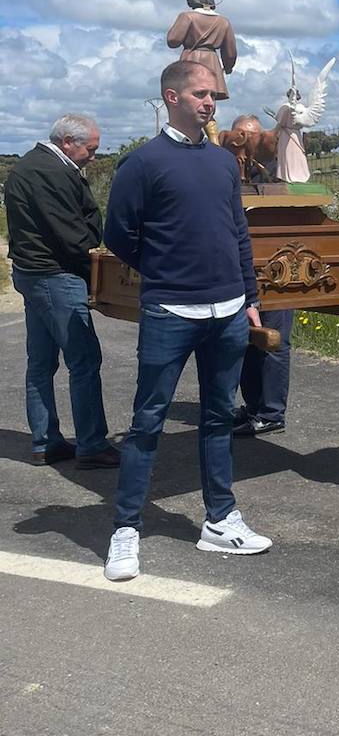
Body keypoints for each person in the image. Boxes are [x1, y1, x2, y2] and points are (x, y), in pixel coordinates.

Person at [101, 63, 272, 582]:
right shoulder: (142, 163)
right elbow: (118, 233)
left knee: (218, 417)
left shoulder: (223, 163)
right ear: (171, 97)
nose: (210, 101)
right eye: (200, 93)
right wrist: (166, 269)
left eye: (213, 94)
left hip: (228, 313)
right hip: (170, 311)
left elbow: (238, 232)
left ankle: (219, 519)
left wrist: (249, 296)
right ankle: (126, 528)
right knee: (147, 421)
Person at [4, 115, 120, 469]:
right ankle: (92, 445)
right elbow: (72, 235)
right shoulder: (50, 172)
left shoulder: (29, 165)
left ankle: (46, 442)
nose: (94, 157)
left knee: (40, 362)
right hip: (55, 274)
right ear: (68, 141)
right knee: (84, 361)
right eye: (91, 149)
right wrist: (97, 272)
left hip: (32, 272)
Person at [227, 115, 294, 436]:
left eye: (253, 139)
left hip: (276, 270)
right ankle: (253, 406)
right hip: (242, 271)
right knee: (248, 342)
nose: (248, 147)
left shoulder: (274, 177)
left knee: (275, 341)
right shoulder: (227, 173)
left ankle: (271, 412)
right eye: (243, 139)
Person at [166, 0, 237, 143]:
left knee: (185, 103)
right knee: (208, 103)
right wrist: (227, 67)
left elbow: (173, 40)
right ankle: (213, 139)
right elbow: (230, 52)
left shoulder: (187, 17)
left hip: (191, 60)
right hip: (212, 63)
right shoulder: (223, 22)